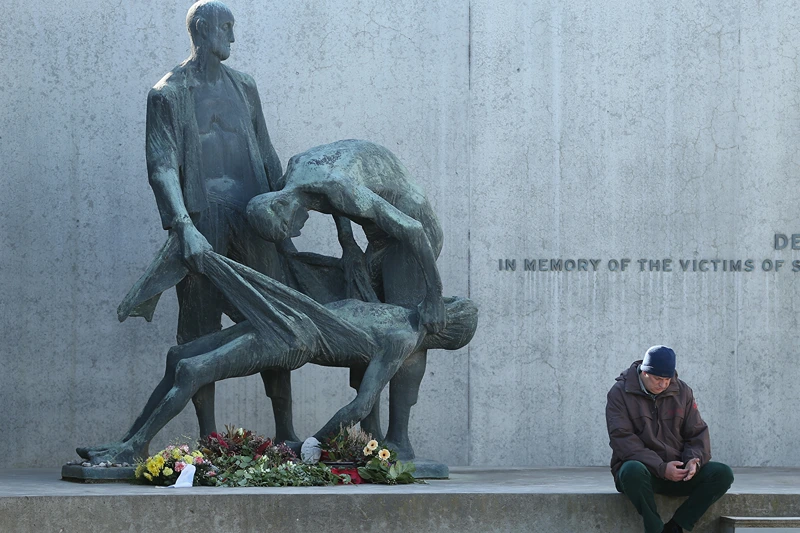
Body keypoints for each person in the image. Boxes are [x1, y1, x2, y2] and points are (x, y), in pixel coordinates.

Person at [78, 252, 478, 465]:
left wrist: (315, 444)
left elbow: (361, 403)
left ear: (444, 329)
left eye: (448, 307)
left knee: (191, 369)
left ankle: (136, 447)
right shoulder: (395, 312)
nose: (439, 301)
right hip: (291, 314)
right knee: (179, 355)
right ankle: (129, 442)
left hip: (295, 338)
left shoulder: (401, 338)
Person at [122, 0, 295, 443]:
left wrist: (284, 216)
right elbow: (160, 166)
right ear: (202, 28)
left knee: (274, 319)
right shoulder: (168, 92)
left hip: (252, 220)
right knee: (198, 328)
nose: (233, 38)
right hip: (203, 224)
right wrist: (184, 229)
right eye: (227, 27)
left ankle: (287, 434)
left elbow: (267, 151)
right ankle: (210, 439)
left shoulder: (245, 86)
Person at [246, 139, 445, 458]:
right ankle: (372, 436)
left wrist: (434, 296)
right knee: (368, 327)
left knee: (407, 330)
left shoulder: (337, 187)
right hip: (379, 236)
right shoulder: (296, 173)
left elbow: (413, 229)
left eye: (286, 228)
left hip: (410, 236)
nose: (292, 235)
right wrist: (347, 243)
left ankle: (400, 442)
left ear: (282, 205)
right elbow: (332, 200)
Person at [606, 345, 734, 533]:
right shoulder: (619, 393)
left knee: (722, 474)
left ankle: (677, 526)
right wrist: (660, 467)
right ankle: (655, 528)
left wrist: (693, 461)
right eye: (658, 379)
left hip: (678, 472)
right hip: (644, 474)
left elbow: (697, 433)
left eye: (667, 379)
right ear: (645, 372)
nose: (663, 385)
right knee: (631, 470)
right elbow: (622, 440)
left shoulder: (683, 391)